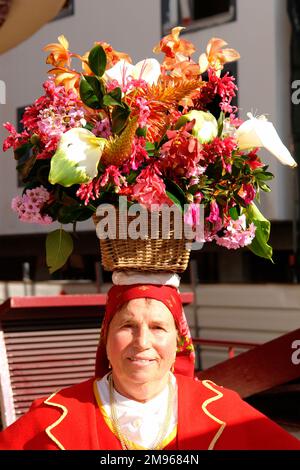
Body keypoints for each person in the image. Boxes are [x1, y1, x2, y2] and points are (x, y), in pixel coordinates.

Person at [0, 273, 299, 450]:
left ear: (179, 341)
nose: (142, 342)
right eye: (127, 326)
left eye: (158, 327)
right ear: (105, 338)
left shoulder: (227, 410)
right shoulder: (50, 418)